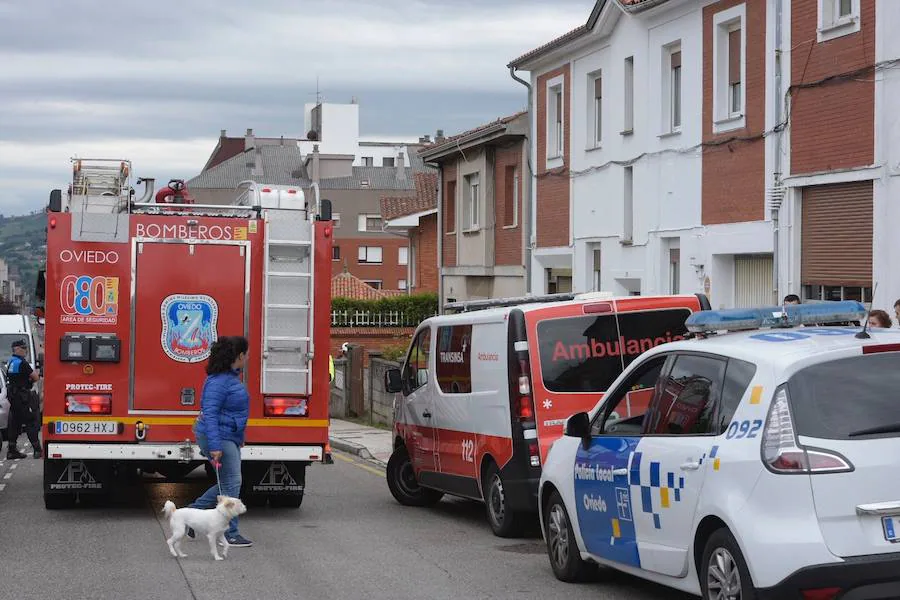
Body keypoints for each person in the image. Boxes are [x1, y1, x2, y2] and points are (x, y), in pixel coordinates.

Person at [185, 336, 252, 547]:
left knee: (228, 483)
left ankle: (190, 516)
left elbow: (232, 414)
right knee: (232, 483)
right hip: (218, 437)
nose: (248, 357)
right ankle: (230, 533)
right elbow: (211, 414)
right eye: (246, 354)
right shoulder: (219, 382)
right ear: (239, 356)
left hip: (226, 437)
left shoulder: (227, 378)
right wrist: (215, 446)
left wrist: (238, 438)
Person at [5, 339, 41, 459]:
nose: (26, 351)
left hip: (13, 397)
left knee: (14, 423)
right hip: (23, 398)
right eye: (24, 348)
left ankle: (12, 450)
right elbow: (35, 377)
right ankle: (37, 450)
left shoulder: (10, 362)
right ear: (17, 349)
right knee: (31, 422)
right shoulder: (22, 363)